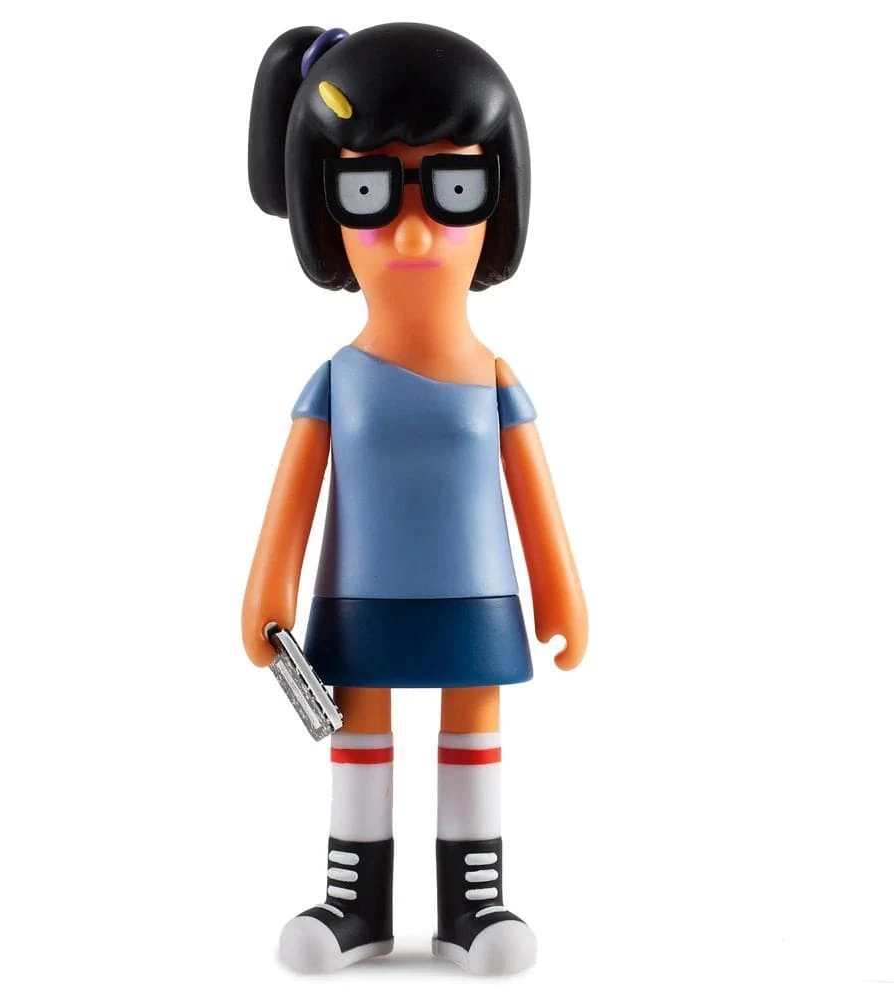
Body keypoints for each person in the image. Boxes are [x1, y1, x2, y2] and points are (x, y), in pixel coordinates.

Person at [244, 22, 588, 975]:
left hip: (477, 595)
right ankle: (354, 903)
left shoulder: (495, 380)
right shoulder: (336, 382)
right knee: (358, 738)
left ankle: (472, 904)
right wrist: (268, 592)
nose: (409, 230)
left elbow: (534, 499)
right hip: (357, 599)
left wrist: (559, 591)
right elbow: (293, 501)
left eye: (453, 189)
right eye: (368, 192)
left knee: (473, 733)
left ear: (499, 201)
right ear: (323, 209)